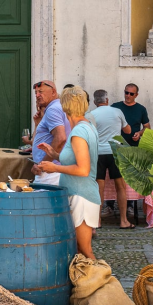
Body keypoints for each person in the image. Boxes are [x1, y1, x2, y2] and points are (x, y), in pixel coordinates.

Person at [32, 86, 100, 259]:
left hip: (81, 196)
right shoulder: (87, 126)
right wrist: (54, 154)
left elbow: (83, 169)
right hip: (79, 194)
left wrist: (54, 167)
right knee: (78, 249)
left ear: (65, 106)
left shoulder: (78, 132)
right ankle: (86, 283)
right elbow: (76, 160)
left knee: (84, 249)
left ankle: (102, 283)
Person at [85, 89, 134, 228]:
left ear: (95, 102)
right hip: (115, 151)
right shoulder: (117, 111)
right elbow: (128, 131)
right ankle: (124, 220)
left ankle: (97, 221)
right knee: (120, 187)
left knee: (99, 188)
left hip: (98, 153)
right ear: (107, 100)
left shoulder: (91, 115)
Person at [32, 81, 68, 184]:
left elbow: (60, 138)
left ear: (53, 92)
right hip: (56, 170)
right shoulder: (60, 107)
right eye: (36, 92)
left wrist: (42, 164)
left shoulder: (53, 110)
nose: (37, 95)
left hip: (50, 174)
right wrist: (37, 124)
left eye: (41, 92)